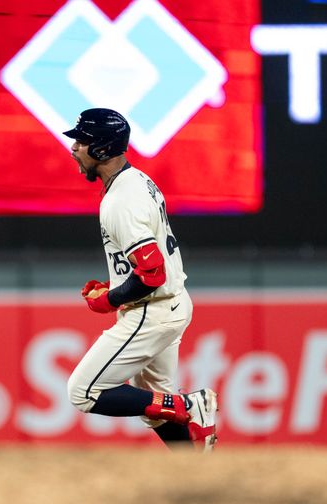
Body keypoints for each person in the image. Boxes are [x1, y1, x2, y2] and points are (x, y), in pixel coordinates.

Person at [63, 108, 218, 452]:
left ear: (102, 149)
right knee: (157, 410)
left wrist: (110, 300)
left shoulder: (120, 200)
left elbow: (151, 274)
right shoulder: (137, 180)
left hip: (152, 310)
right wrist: (117, 284)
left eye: (82, 141)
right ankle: (195, 468)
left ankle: (190, 406)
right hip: (171, 303)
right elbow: (144, 266)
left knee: (84, 392)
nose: (74, 147)